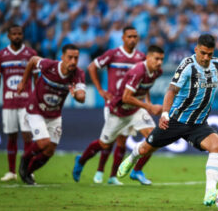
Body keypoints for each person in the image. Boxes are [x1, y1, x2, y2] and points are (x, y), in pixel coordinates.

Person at [117, 34, 218, 206]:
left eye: (210, 54)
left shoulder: (214, 63)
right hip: (176, 120)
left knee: (217, 146)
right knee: (146, 148)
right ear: (196, 49)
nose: (206, 57)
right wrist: (165, 114)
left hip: (198, 123)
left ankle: (210, 192)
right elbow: (171, 91)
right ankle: (132, 158)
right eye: (203, 53)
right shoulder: (187, 66)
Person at [72, 45, 164, 185]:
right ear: (148, 57)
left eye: (162, 59)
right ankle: (82, 160)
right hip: (118, 111)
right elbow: (126, 98)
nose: (159, 62)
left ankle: (136, 170)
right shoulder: (138, 71)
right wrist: (149, 106)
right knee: (104, 144)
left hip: (135, 110)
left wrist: (148, 103)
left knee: (155, 139)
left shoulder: (157, 71)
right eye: (156, 59)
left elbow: (145, 87)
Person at [86, 26, 153, 185]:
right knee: (109, 141)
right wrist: (100, 90)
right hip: (113, 104)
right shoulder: (113, 54)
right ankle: (99, 171)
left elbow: (146, 82)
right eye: (129, 36)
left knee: (123, 141)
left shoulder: (141, 57)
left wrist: (147, 102)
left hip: (131, 107)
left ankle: (113, 176)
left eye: (135, 37)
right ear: (123, 38)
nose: (132, 39)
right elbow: (91, 67)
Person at [17, 44, 86, 185]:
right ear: (62, 57)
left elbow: (82, 97)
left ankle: (28, 172)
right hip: (36, 109)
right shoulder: (49, 65)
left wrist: (76, 96)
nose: (73, 61)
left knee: (49, 151)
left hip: (54, 114)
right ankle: (24, 160)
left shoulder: (78, 74)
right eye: (70, 57)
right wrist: (24, 82)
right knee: (43, 143)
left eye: (76, 58)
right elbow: (32, 60)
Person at [0, 24, 38, 181]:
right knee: (11, 137)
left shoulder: (31, 54)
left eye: (19, 33)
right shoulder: (1, 55)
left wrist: (37, 99)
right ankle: (11, 172)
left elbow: (37, 79)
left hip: (27, 104)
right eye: (14, 34)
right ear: (8, 36)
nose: (17, 36)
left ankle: (27, 170)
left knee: (27, 137)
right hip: (9, 103)